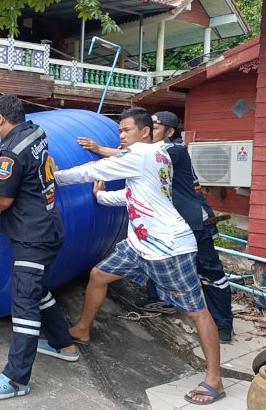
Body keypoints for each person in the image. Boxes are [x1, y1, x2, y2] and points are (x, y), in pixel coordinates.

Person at [55, 107, 225, 405]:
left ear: (144, 132)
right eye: (119, 131)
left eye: (126, 130)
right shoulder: (156, 156)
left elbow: (93, 170)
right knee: (98, 275)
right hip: (139, 244)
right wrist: (101, 197)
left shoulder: (142, 155)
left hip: (168, 247)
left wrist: (55, 176)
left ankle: (215, 380)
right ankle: (82, 330)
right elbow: (138, 194)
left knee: (196, 311)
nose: (121, 136)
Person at [77, 111, 234, 342]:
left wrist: (100, 150)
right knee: (148, 260)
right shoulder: (149, 152)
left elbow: (127, 156)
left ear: (168, 132)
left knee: (211, 276)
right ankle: (159, 300)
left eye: (154, 127)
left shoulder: (171, 150)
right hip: (164, 229)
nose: (147, 130)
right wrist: (102, 196)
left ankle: (223, 326)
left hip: (194, 222)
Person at [0, 95, 79, 400]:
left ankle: (16, 379)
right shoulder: (36, 132)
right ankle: (63, 344)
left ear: (1, 120)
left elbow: (4, 200)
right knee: (36, 289)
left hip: (32, 236)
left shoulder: (10, 153)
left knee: (24, 302)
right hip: (50, 226)